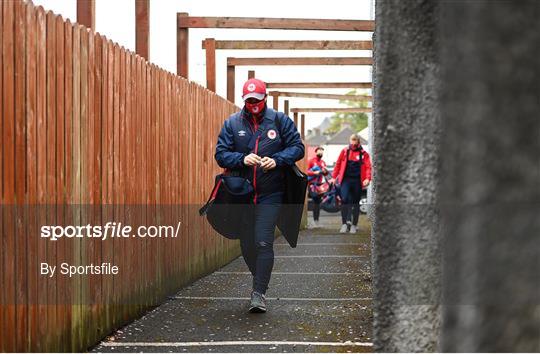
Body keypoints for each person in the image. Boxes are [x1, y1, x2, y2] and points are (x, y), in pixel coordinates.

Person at [214, 78, 304, 313]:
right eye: (249, 100)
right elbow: (221, 154)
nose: (253, 104)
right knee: (247, 244)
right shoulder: (232, 124)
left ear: (265, 98)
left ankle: (258, 293)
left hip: (271, 193)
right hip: (242, 195)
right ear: (244, 100)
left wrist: (277, 160)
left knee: (263, 240)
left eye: (257, 99)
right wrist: (241, 159)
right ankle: (260, 278)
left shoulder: (280, 120)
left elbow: (298, 147)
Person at [331, 134, 372, 234]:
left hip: (357, 181)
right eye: (351, 141)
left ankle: (354, 225)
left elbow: (368, 167)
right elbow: (338, 164)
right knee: (344, 199)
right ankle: (344, 224)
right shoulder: (345, 151)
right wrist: (333, 177)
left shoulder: (364, 154)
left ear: (358, 142)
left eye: (355, 141)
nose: (353, 143)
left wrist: (367, 178)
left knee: (355, 202)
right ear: (349, 141)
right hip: (345, 180)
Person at [306, 146, 329, 228]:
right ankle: (311, 222)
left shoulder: (323, 162)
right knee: (314, 200)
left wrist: (325, 172)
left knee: (317, 203)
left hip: (320, 184)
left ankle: (316, 221)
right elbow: (307, 171)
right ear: (316, 152)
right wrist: (315, 173)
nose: (321, 153)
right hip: (311, 184)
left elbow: (325, 173)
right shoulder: (311, 161)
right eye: (319, 151)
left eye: (322, 151)